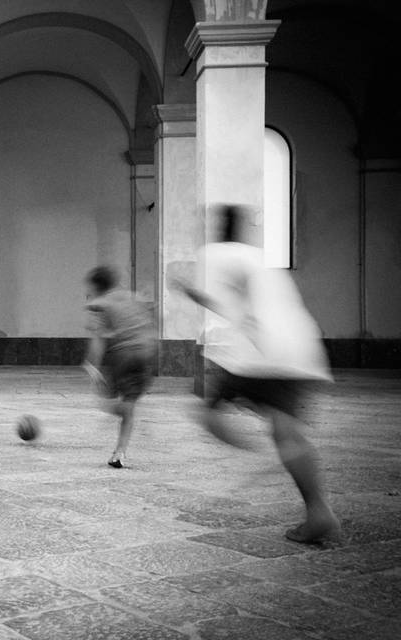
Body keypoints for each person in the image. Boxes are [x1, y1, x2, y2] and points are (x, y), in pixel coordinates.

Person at [170, 203, 341, 545]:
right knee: (287, 433)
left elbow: (225, 304)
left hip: (257, 349)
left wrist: (186, 289)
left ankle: (249, 452)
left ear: (215, 227)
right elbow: (244, 297)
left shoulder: (212, 253)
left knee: (205, 412)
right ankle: (319, 513)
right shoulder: (259, 257)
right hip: (301, 345)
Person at [83, 266, 157, 468]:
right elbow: (148, 320)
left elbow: (98, 338)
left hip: (123, 354)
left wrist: (92, 365)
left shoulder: (99, 304)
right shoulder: (133, 298)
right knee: (130, 403)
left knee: (105, 403)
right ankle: (119, 453)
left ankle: (122, 411)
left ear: (97, 287)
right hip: (146, 352)